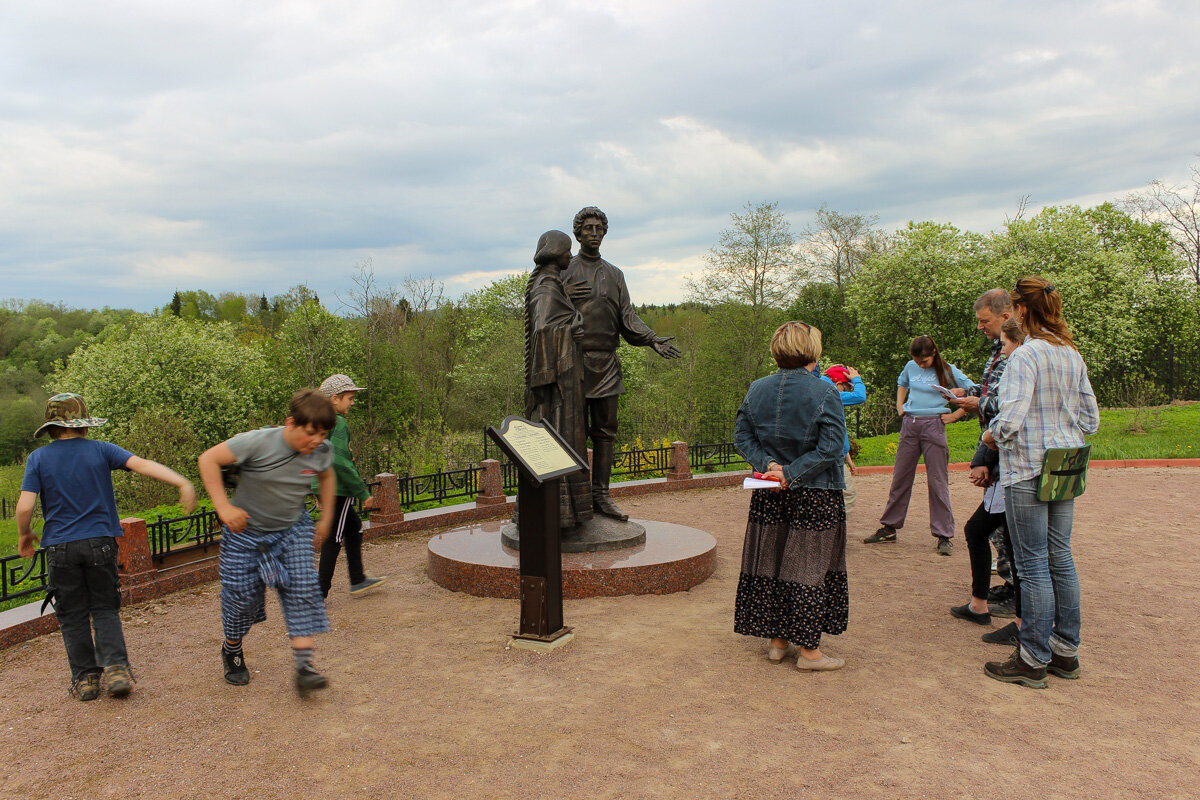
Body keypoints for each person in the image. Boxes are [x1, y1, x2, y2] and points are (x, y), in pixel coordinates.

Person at [16, 393, 195, 701]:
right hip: (100, 543)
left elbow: (24, 506)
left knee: (72, 613)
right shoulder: (101, 450)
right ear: (84, 426)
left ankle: (85, 680)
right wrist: (182, 483)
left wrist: (24, 534)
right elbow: (142, 464)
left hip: (60, 547)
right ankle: (116, 670)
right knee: (103, 608)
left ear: (52, 429)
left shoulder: (38, 459)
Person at [983, 277, 1099, 689]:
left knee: (1032, 565)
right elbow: (1092, 420)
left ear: (1023, 311)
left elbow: (1010, 420)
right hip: (1065, 465)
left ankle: (1032, 658)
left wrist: (989, 433)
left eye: (1013, 309)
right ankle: (1065, 651)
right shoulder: (1070, 353)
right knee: (1060, 557)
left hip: (1029, 467)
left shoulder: (1025, 356)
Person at [198, 389, 336, 697]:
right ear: (291, 423)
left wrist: (326, 516)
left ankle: (304, 667)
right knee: (241, 600)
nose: (316, 440)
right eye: (310, 432)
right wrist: (224, 507)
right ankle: (231, 648)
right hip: (245, 533)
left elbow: (326, 476)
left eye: (323, 434)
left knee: (302, 588)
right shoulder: (257, 442)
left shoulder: (321, 450)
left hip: (292, 529)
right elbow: (207, 459)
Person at [734, 321, 849, 671]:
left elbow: (742, 438)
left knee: (772, 562)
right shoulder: (825, 391)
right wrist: (793, 472)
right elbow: (832, 447)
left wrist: (771, 465)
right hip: (815, 493)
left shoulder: (757, 389)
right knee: (808, 568)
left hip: (770, 493)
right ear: (811, 350)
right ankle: (810, 652)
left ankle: (777, 642)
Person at [563, 207, 681, 521]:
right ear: (577, 233)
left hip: (606, 364)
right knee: (571, 433)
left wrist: (653, 339)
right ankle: (574, 499)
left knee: (605, 433)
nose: (594, 233)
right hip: (573, 364)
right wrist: (563, 295)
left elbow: (627, 317)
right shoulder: (565, 271)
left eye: (599, 228)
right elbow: (545, 312)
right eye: (588, 228)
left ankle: (601, 495)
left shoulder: (615, 274)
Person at [866, 335, 975, 554]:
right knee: (900, 477)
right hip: (910, 424)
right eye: (916, 361)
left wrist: (955, 416)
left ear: (933, 352)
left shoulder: (948, 370)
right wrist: (900, 405)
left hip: (934, 425)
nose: (920, 365)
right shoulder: (910, 366)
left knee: (937, 480)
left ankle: (944, 535)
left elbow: (973, 391)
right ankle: (889, 528)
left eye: (923, 361)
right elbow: (902, 383)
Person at [950, 317, 1024, 634]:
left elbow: (1006, 420)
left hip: (1016, 469)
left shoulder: (1023, 368)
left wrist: (985, 449)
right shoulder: (1022, 366)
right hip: (1005, 465)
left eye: (1005, 346)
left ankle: (1023, 623)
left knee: (1021, 546)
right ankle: (980, 605)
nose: (1002, 352)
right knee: (981, 531)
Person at [524, 229, 593, 529]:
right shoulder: (547, 286)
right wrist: (571, 328)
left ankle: (571, 513)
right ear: (556, 254)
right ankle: (559, 515)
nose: (570, 255)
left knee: (570, 441)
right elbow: (542, 330)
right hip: (559, 388)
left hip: (567, 381)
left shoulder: (553, 285)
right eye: (567, 251)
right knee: (561, 440)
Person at [315, 374, 385, 598]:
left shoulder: (319, 421)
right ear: (335, 399)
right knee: (334, 539)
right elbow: (341, 461)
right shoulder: (338, 423)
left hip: (325, 486)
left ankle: (357, 579)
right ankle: (318, 594)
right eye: (350, 398)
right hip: (338, 489)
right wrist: (362, 492)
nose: (353, 403)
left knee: (354, 529)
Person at [821, 364, 866, 515]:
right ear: (838, 384)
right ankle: (835, 527)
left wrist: (848, 458)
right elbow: (860, 396)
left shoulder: (820, 387)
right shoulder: (830, 392)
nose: (844, 392)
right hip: (831, 456)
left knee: (831, 494)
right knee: (848, 494)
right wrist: (857, 380)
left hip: (835, 453)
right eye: (845, 388)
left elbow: (839, 431)